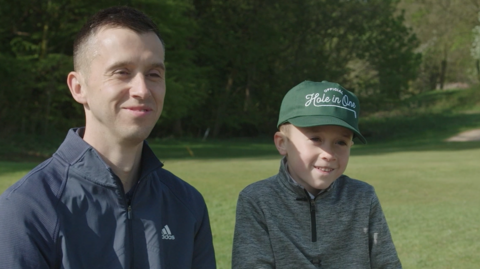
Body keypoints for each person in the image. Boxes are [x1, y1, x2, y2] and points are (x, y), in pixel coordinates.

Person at [0, 6, 216, 269]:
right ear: (78, 88)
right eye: (122, 72)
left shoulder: (187, 204)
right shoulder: (28, 207)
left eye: (153, 74)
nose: (142, 89)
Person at [232, 80, 401, 268]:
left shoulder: (362, 196)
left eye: (341, 143)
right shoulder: (257, 199)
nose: (328, 154)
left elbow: (387, 263)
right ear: (282, 143)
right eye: (315, 139)